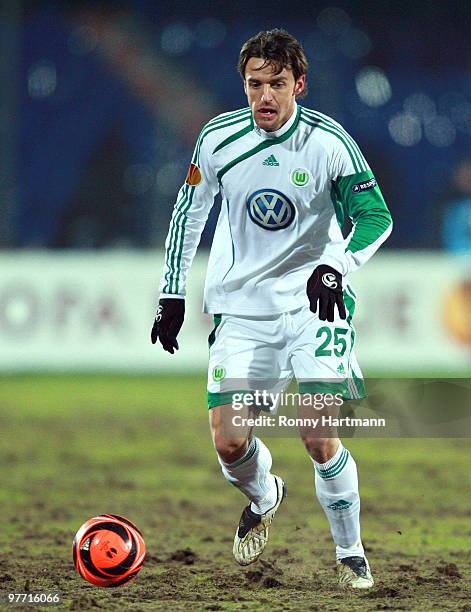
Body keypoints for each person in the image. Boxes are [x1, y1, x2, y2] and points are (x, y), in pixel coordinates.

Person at [151, 29, 392, 589]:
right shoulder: (217, 140)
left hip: (315, 306)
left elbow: (374, 216)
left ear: (298, 85)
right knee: (230, 440)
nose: (263, 96)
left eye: (276, 84)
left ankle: (350, 553)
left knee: (317, 433)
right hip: (242, 312)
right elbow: (188, 215)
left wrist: (337, 267)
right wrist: (171, 294)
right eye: (254, 84)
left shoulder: (329, 143)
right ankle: (265, 493)